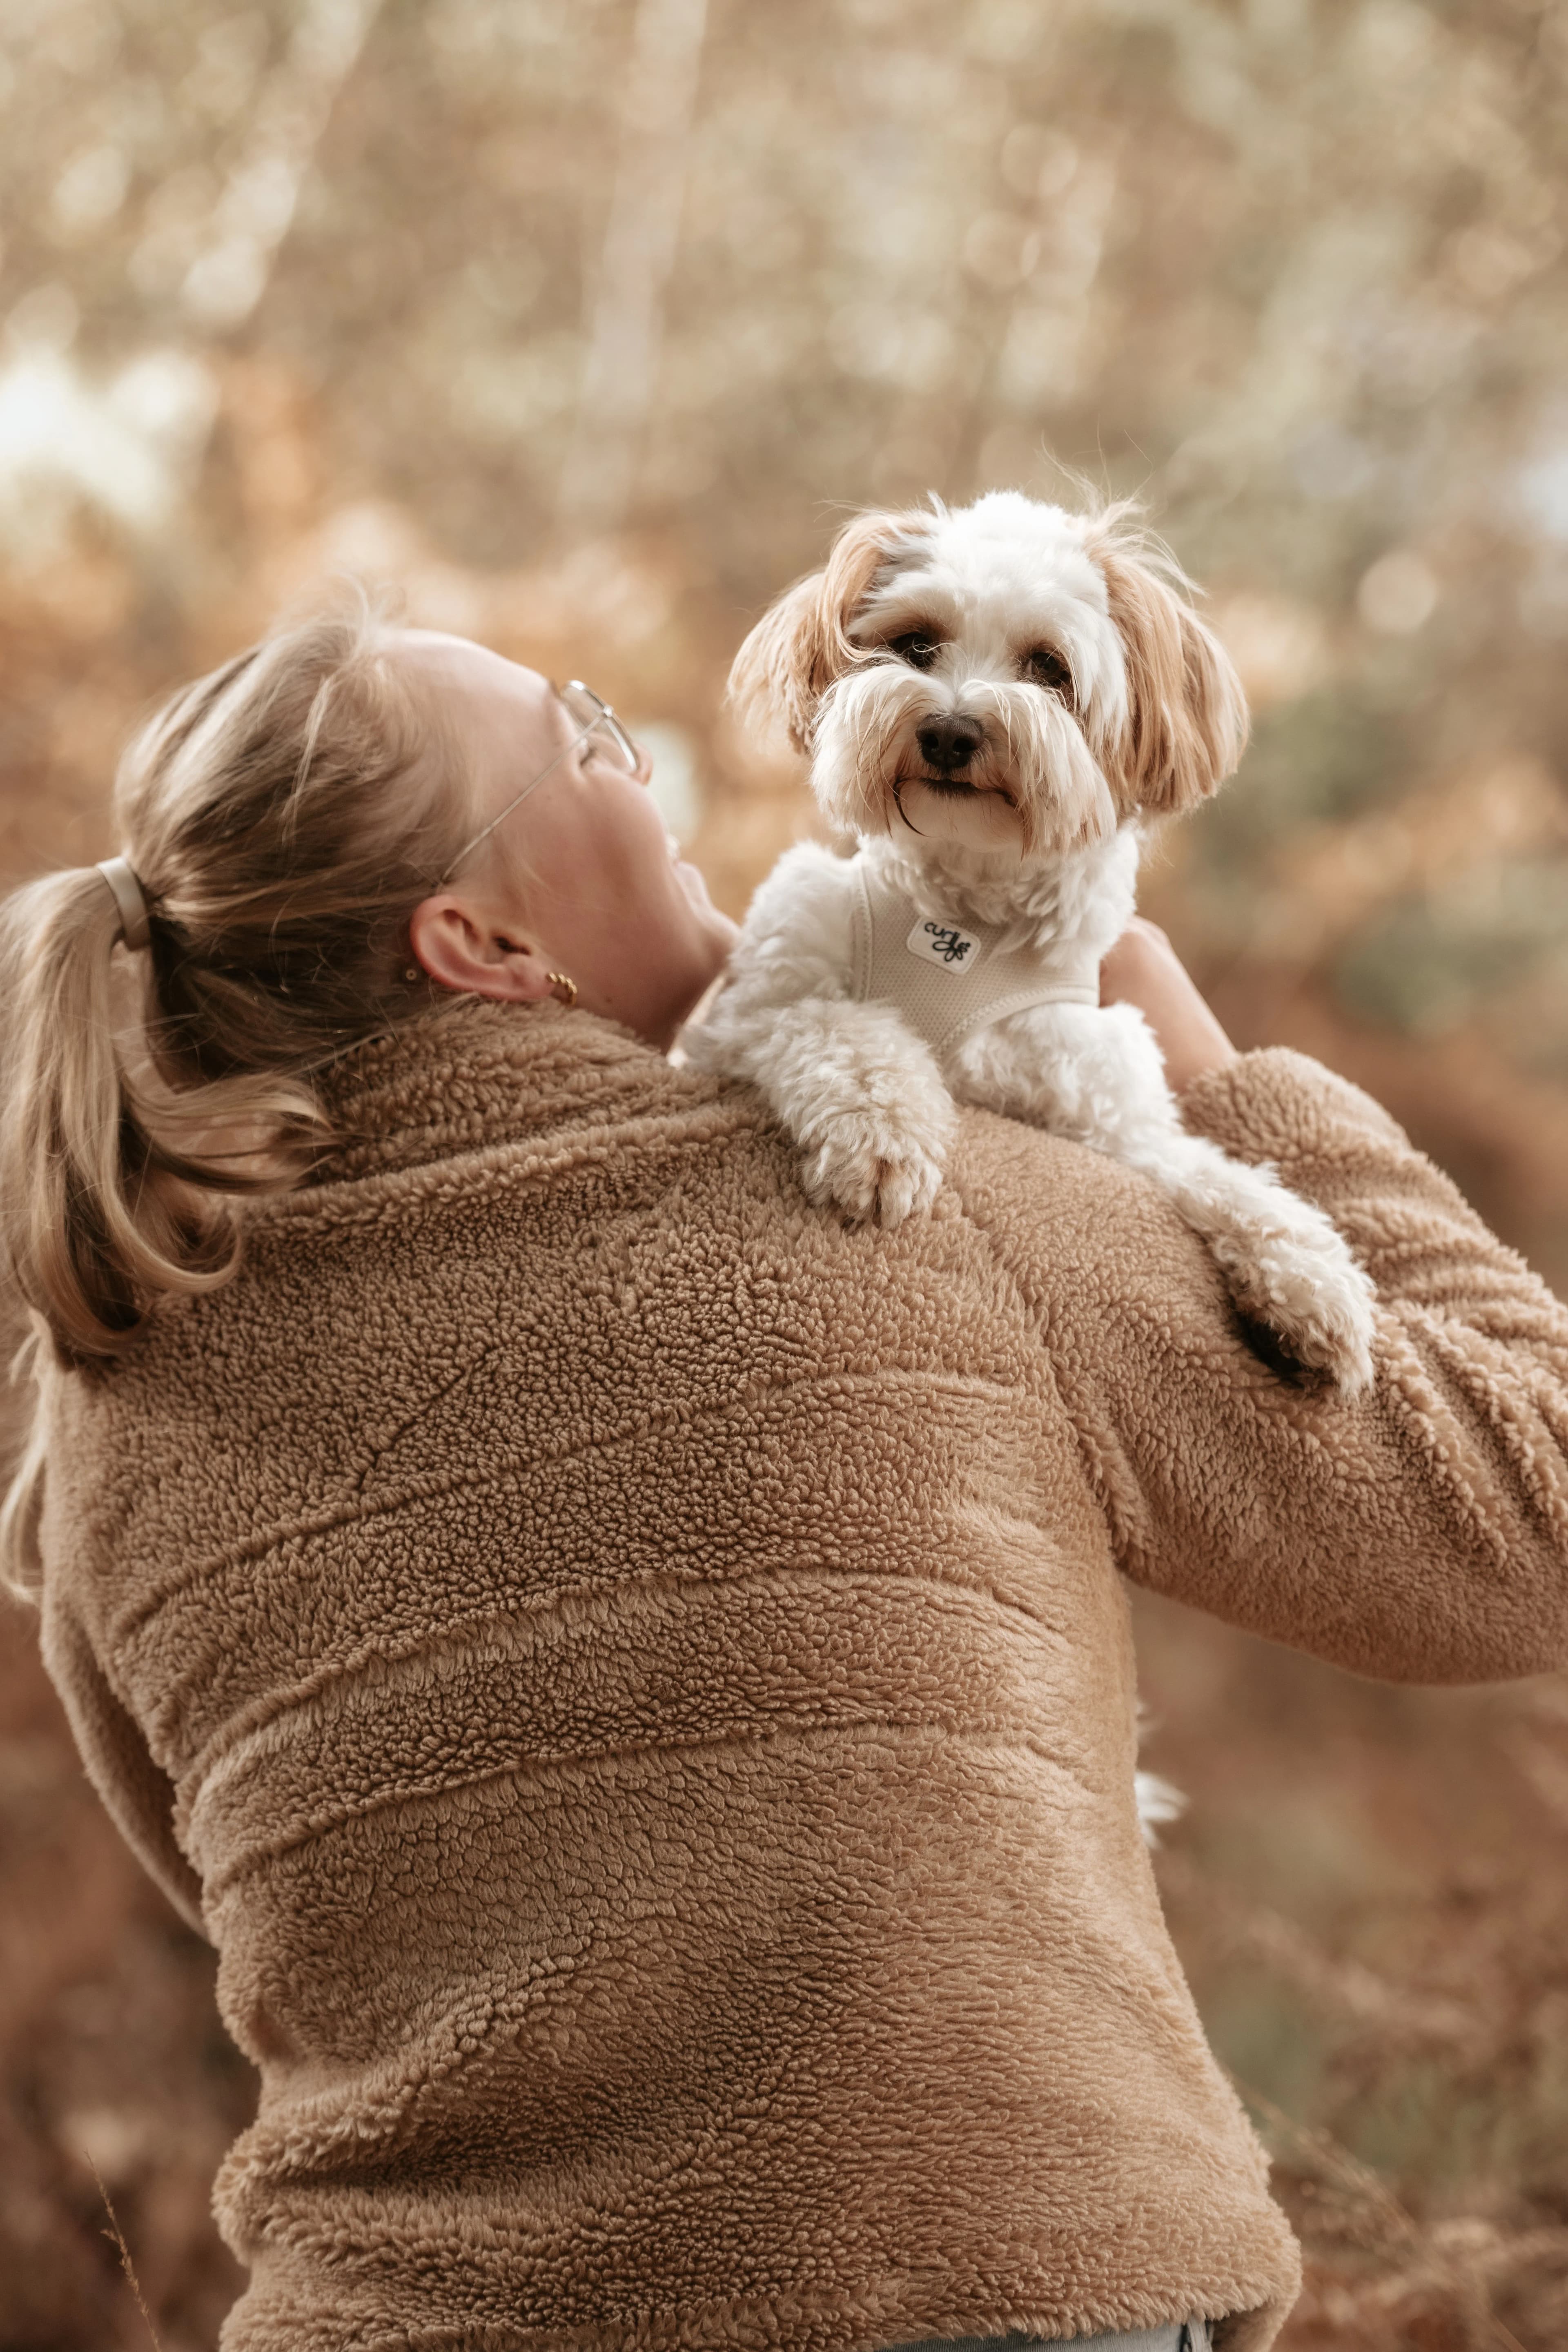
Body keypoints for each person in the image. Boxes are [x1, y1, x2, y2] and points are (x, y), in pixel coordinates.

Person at [4, 603, 1566, 2352]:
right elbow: (1531, 1517)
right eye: (580, 736)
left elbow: (237, 1900)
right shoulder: (909, 1197)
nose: (638, 757)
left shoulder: (117, 1386)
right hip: (975, 2300)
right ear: (481, 940)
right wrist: (1216, 1086)